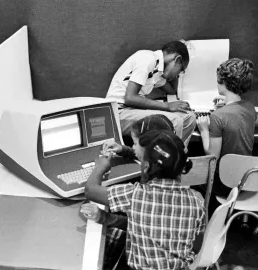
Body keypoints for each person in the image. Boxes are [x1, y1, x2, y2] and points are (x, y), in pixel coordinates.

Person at [81, 130, 205, 270]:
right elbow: (197, 244)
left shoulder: (135, 194)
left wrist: (101, 166)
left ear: (145, 167)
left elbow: (90, 190)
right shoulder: (196, 202)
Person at [105, 41, 196, 146]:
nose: (179, 74)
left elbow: (171, 90)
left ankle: (179, 155)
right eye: (181, 70)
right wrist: (167, 106)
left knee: (189, 117)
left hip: (132, 110)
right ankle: (169, 159)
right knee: (175, 121)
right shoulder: (147, 59)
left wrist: (175, 73)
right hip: (118, 113)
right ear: (177, 59)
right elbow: (130, 98)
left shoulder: (157, 72)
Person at [197, 58, 257, 197]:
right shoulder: (250, 107)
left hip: (224, 184)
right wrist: (229, 103)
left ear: (223, 83)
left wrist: (204, 131)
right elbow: (254, 123)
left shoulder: (218, 116)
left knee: (193, 179)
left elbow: (212, 156)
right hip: (246, 179)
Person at [103, 114, 175, 161]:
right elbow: (142, 153)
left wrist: (99, 171)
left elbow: (94, 185)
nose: (133, 147)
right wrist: (122, 149)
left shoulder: (155, 174)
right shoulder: (167, 158)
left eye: (135, 143)